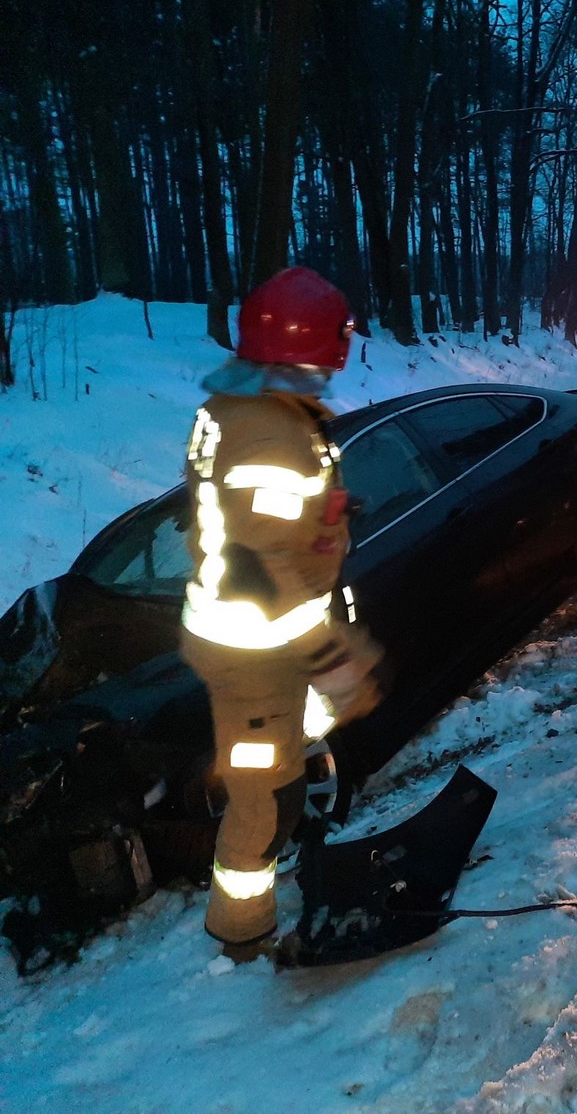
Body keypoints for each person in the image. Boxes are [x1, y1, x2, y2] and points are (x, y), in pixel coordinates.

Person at [179, 267, 384, 961]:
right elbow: (266, 570)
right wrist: (334, 662)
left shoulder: (244, 410)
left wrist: (322, 517)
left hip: (248, 637)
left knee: (282, 777)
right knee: (263, 801)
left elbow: (253, 526)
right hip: (254, 648)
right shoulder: (271, 435)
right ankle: (244, 939)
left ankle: (275, 894)